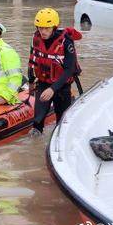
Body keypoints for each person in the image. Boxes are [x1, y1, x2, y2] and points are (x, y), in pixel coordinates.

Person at [28, 8, 82, 136]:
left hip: (62, 85)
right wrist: (31, 81)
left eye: (47, 28)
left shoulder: (66, 41)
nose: (43, 31)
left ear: (54, 27)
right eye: (40, 28)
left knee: (61, 123)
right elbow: (32, 61)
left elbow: (69, 70)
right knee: (37, 121)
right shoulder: (35, 38)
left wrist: (53, 89)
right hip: (43, 82)